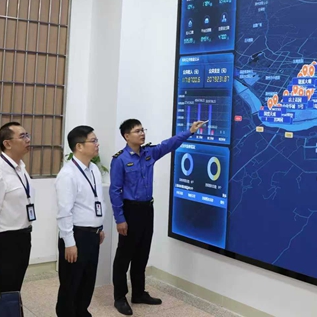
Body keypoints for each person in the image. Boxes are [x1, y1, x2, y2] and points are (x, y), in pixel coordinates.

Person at [110, 119, 206, 315]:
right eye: (137, 131)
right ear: (127, 136)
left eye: (142, 130)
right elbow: (115, 191)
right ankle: (120, 297)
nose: (142, 133)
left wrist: (189, 131)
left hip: (147, 210)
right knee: (124, 257)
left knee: (142, 253)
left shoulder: (149, 153)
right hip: (130, 211)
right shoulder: (119, 160)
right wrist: (120, 219)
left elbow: (168, 144)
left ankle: (138, 293)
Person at [55, 126, 106, 317]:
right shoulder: (68, 174)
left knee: (87, 281)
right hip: (76, 236)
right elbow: (64, 212)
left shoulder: (93, 169)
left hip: (93, 235)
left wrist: (99, 227)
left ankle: (82, 312)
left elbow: (95, 201)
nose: (97, 144)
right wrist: (69, 242)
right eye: (93, 141)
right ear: (79, 146)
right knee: (71, 283)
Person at [0, 122, 35, 293]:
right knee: (1, 292)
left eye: (27, 135)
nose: (28, 140)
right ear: (7, 143)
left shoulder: (21, 168)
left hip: (23, 237)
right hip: (6, 242)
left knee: (14, 289)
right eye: (22, 136)